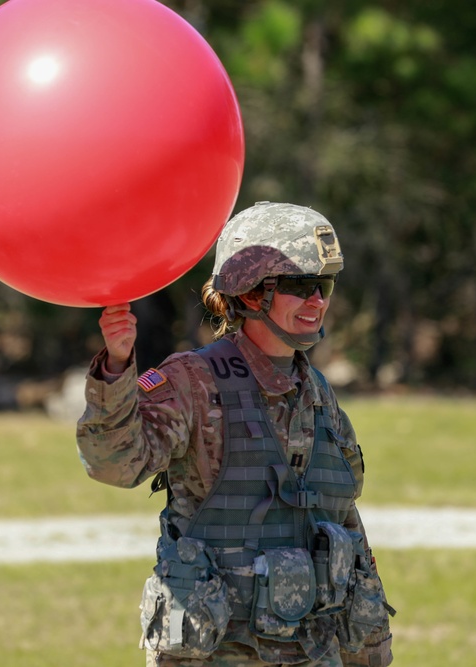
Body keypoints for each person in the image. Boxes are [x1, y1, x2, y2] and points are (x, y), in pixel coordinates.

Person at [77, 202, 394, 666]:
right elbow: (114, 464)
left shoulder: (317, 392)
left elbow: (344, 524)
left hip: (315, 650)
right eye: (300, 286)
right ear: (249, 295)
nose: (318, 301)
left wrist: (371, 650)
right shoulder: (194, 381)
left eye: (323, 286)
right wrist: (118, 367)